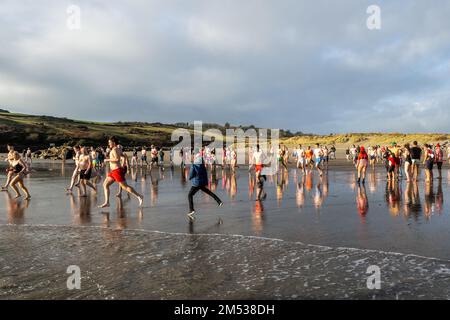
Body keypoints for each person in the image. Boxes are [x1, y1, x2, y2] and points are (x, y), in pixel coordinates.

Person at [99, 137, 143, 208]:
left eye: (109, 142)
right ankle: (107, 202)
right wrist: (124, 162)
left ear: (113, 142)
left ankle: (139, 196)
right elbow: (123, 155)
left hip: (117, 171)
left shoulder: (115, 149)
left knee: (125, 187)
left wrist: (107, 160)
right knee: (105, 184)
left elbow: (117, 159)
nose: (108, 144)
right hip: (114, 171)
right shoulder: (118, 148)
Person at [187, 152, 223, 221]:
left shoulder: (194, 165)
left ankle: (191, 210)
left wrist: (190, 178)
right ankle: (219, 201)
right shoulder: (203, 165)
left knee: (189, 195)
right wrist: (206, 181)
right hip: (202, 182)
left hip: (196, 183)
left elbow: (191, 174)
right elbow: (205, 174)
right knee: (208, 192)